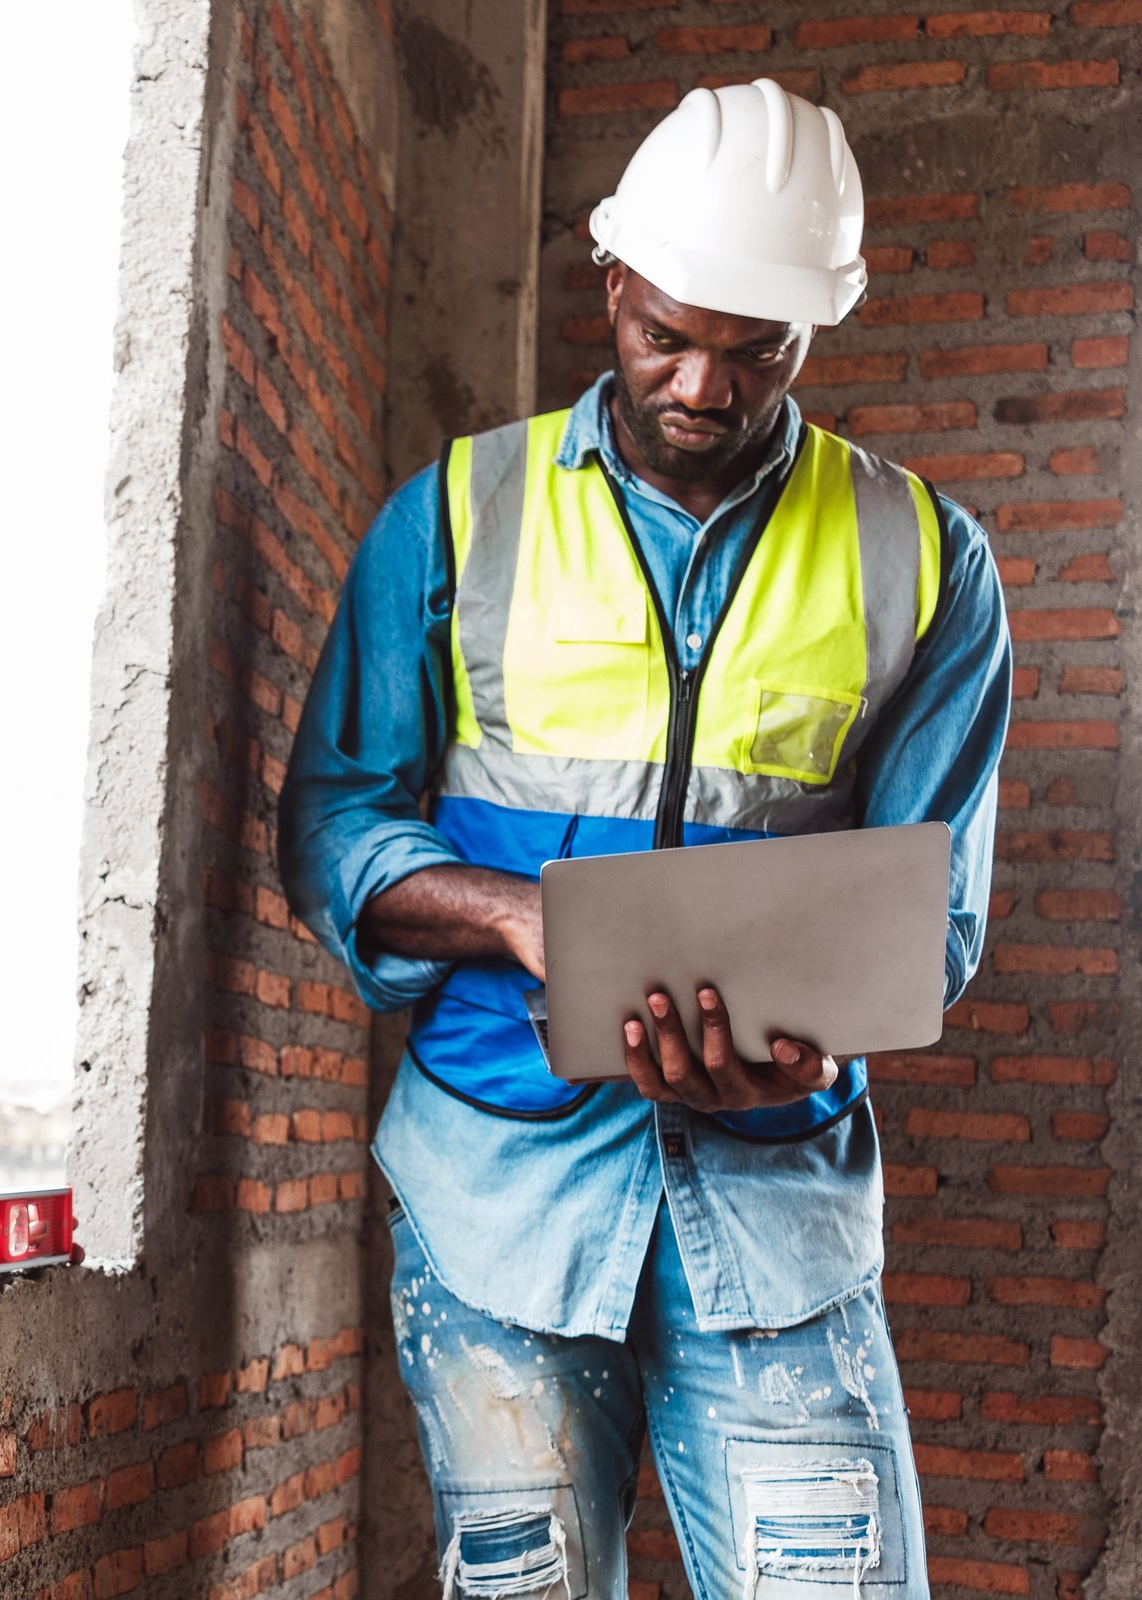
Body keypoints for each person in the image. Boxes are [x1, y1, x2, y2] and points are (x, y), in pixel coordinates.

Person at [277, 81, 1011, 1599]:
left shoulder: (926, 562)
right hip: (500, 1212)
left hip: (776, 1226)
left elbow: (932, 918)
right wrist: (511, 917)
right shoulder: (458, 519)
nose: (701, 384)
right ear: (609, 281)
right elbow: (332, 822)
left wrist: (808, 1046)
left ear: (817, 332)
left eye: (756, 352)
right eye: (666, 332)